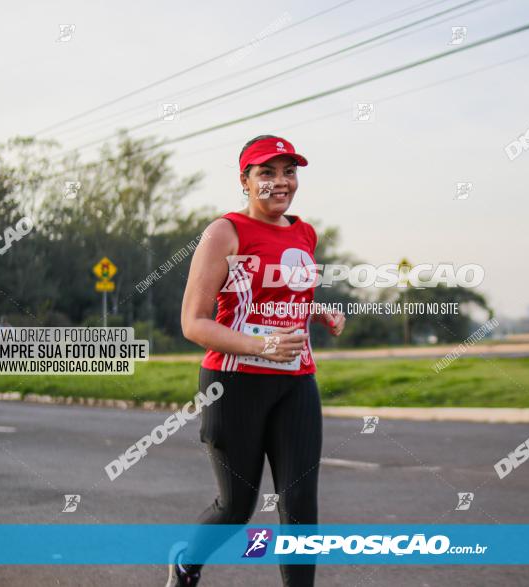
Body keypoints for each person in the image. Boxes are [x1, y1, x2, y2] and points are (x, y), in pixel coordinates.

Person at [170, 135, 345, 587]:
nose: (280, 182)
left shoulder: (305, 232)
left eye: (289, 172)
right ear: (244, 181)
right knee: (236, 508)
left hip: (296, 381)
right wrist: (259, 347)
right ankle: (187, 562)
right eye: (267, 172)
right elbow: (194, 322)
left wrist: (315, 309)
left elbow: (277, 296)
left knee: (300, 502)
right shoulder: (223, 232)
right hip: (234, 384)